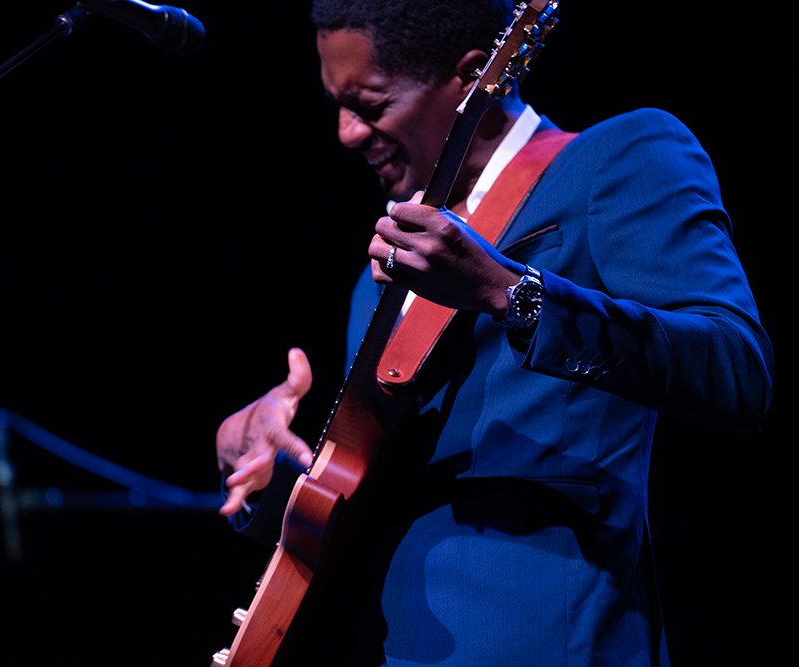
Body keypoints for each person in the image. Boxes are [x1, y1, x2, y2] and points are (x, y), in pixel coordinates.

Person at [213, 1, 774, 665]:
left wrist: (509, 292)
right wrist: (271, 469)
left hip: (547, 640)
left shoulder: (619, 157)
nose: (346, 133)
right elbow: (381, 501)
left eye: (368, 104)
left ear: (471, 77)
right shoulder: (380, 278)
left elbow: (736, 368)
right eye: (337, 104)